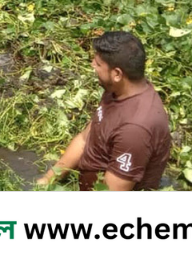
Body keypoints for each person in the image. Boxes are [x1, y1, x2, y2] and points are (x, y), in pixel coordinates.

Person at [36, 31, 171, 191]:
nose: (92, 65)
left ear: (117, 74)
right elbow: (85, 138)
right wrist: (47, 180)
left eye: (98, 64)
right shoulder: (117, 89)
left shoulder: (135, 130)